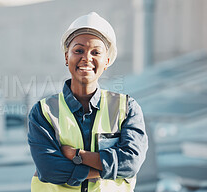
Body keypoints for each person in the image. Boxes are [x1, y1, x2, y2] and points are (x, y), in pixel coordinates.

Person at [27, 12, 148, 192]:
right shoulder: (44, 111)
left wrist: (77, 155)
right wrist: (106, 168)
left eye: (96, 52)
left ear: (106, 61)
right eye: (79, 50)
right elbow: (49, 170)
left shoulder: (127, 108)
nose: (87, 58)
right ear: (66, 57)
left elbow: (130, 163)